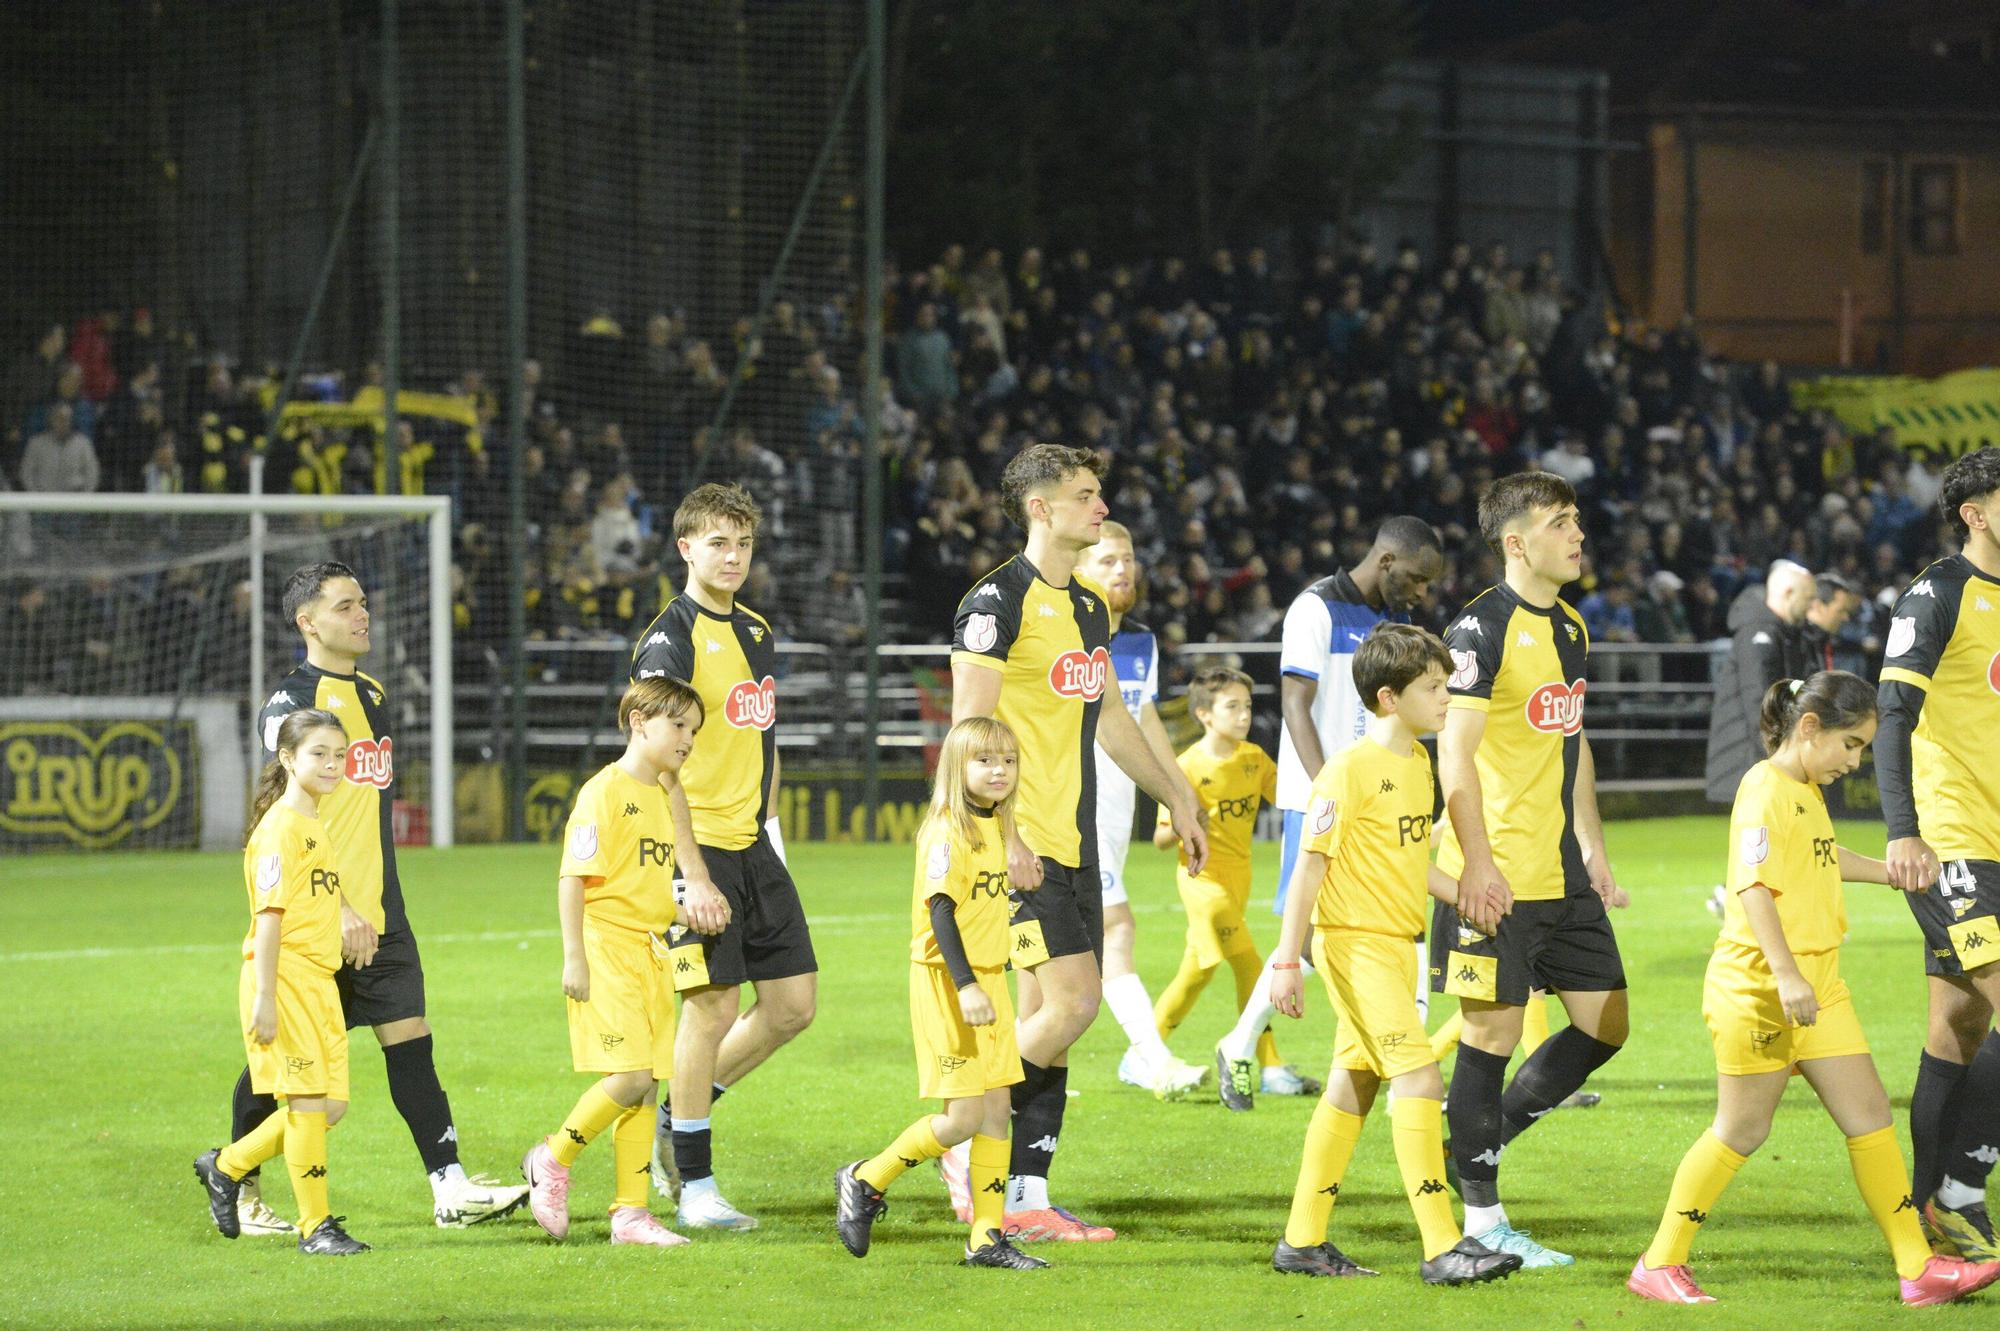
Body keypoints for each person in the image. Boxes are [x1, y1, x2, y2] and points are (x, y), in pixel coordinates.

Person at [1630, 674, 2000, 1306]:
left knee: (1871, 1118)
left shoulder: (1803, 790)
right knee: (1741, 1130)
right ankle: (1659, 1262)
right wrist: (1785, 974)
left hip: (1820, 984)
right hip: (1761, 987)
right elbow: (1753, 887)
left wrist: (1892, 873)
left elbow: (1823, 857)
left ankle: (1917, 1268)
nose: (1854, 762)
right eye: (1850, 745)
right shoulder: (1763, 788)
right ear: (1808, 728)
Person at [950, 443, 1209, 1242]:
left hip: (1076, 843)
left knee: (1049, 1021)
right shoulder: (996, 602)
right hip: (1018, 845)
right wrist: (1005, 835)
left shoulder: (1089, 608)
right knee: (1074, 1003)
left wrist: (1178, 795)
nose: (1102, 508)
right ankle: (960, 1136)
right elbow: (969, 733)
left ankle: (1024, 1194)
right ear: (1042, 508)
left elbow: (1114, 719)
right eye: (1087, 495)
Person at [232, 563, 528, 1234]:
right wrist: (335, 906)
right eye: (344, 606)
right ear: (307, 622)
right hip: (318, 919)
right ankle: (237, 1183)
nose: (362, 614)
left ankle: (449, 1186)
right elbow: (284, 816)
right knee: (280, 1065)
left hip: (381, 911)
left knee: (411, 1041)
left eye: (362, 602)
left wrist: (370, 903)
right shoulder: (289, 705)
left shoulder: (372, 692)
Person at [1268, 625, 1519, 1285]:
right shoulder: (1346, 771)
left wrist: (1467, 895)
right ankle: (1443, 1246)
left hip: (1398, 944)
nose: (1446, 698)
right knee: (1419, 1077)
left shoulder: (1416, 764)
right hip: (1355, 944)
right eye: (1432, 687)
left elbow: (1406, 863)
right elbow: (1308, 868)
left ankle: (1302, 1240)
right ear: (1388, 697)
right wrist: (1287, 959)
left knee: (1354, 1082)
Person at [1430, 471, 1628, 1268]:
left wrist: (1593, 845)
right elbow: (1454, 753)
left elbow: (1570, 743)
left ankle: (1474, 1139)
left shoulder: (1572, 626)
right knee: (1491, 1037)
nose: (1577, 534)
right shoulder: (1477, 630)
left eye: (1577, 519)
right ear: (1516, 542)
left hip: (1562, 875)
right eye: (1560, 522)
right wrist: (1477, 865)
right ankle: (1482, 1220)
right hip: (1497, 876)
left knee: (1607, 1023)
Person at [1218, 517, 1443, 1101]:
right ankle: (1243, 1045)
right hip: (1321, 799)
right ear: (1387, 562)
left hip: (1378, 798)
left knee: (1394, 920)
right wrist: (1328, 790)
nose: (1422, 593)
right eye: (1417, 579)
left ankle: (1399, 1065)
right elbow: (1295, 703)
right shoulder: (1314, 609)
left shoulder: (1394, 621)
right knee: (1315, 938)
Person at [630, 482, 798, 1233]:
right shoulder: (670, 640)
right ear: (686, 548)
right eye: (718, 543)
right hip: (695, 847)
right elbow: (655, 762)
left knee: (793, 1004)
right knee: (712, 1006)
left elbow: (766, 741)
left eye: (744, 544)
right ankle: (695, 1185)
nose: (733, 557)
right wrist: (690, 871)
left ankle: (678, 1114)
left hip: (753, 842)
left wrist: (772, 830)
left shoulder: (757, 631)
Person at [835, 717, 1045, 1270]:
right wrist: (967, 985)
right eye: (985, 761)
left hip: (988, 979)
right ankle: (866, 1178)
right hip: (949, 982)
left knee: (997, 1111)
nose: (999, 771)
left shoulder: (997, 822)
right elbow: (941, 913)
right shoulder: (947, 831)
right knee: (963, 1119)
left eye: (1008, 760)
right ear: (956, 766)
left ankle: (986, 1238)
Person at [520, 676, 706, 1249]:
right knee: (630, 1078)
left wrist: (685, 913)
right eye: (678, 725)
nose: (687, 739)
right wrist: (574, 957)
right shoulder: (603, 791)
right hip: (606, 948)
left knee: (647, 1086)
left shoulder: (660, 797)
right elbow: (573, 878)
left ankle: (631, 1213)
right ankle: (552, 1159)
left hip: (650, 950)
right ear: (638, 722)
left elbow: (641, 882)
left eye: (694, 730)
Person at [1879, 446, 2000, 1261]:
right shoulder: (1938, 593)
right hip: (1952, 842)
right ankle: (1961, 1186)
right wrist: (1903, 830)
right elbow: (1893, 714)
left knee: (1957, 1026)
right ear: (1975, 514)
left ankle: (1925, 1207)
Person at [193, 709, 370, 1256]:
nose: (332, 765)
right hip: (286, 978)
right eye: (319, 754)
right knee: (309, 1105)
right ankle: (316, 1228)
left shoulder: (314, 822)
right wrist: (266, 998)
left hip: (319, 981)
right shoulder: (279, 829)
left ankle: (226, 1166)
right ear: (288, 758)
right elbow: (267, 920)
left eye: (339, 755)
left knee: (329, 1108)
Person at [1081, 521, 1209, 1099]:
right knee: (1116, 928)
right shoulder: (1065, 638)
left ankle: (1024, 1074)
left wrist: (1180, 794)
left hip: (1113, 817)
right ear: (1079, 570)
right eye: (1107, 560)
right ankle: (1152, 1059)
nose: (1122, 570)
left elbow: (1145, 718)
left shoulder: (1139, 642)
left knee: (1065, 953)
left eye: (1128, 559)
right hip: (1073, 812)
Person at [1152, 666, 1304, 1107]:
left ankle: (1144, 1052)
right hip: (1202, 881)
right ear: (1204, 714)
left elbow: (1291, 799)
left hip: (1239, 880)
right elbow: (1161, 838)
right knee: (1251, 965)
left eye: (1248, 706)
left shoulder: (1253, 758)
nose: (1243, 715)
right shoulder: (1186, 767)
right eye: (1232, 706)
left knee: (1196, 972)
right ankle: (1271, 1066)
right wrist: (1188, 820)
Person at [1704, 559, 1815, 805]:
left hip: (1756, 763)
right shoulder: (1759, 633)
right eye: (1807, 598)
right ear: (1788, 593)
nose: (1810, 607)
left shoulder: (1785, 635)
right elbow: (1760, 702)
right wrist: (1780, 760)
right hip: (1748, 764)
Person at [1800, 573, 1861, 673]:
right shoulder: (1797, 645)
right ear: (1818, 606)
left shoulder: (1822, 641)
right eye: (1840, 611)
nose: (1846, 618)